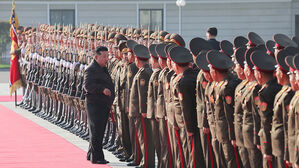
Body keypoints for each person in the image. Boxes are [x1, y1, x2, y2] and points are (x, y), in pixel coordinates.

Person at [83, 46, 115, 164]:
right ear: (96, 57)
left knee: (97, 130)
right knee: (97, 131)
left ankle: (91, 154)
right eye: (104, 56)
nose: (107, 59)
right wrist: (102, 89)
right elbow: (87, 86)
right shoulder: (91, 69)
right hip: (95, 104)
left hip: (102, 104)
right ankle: (97, 157)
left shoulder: (102, 68)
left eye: (107, 56)